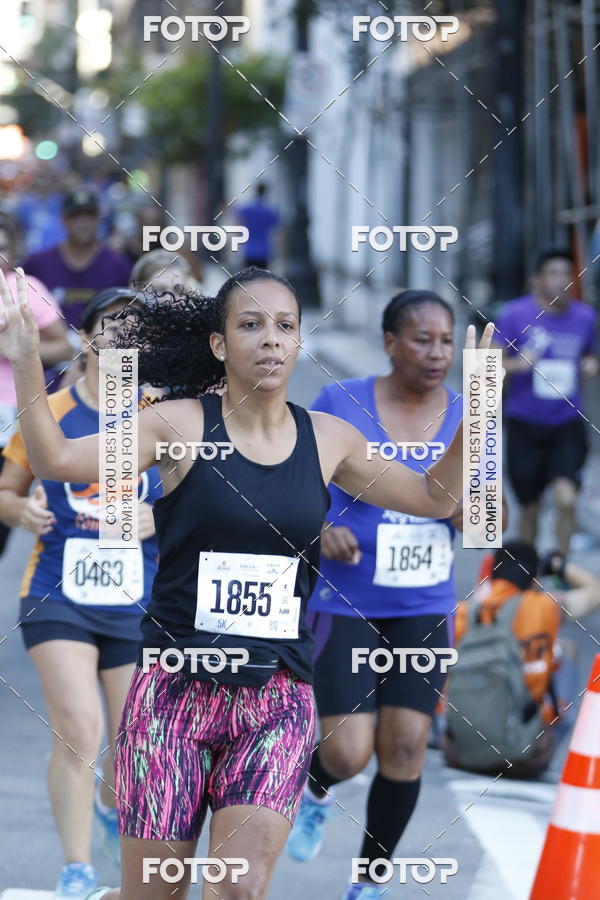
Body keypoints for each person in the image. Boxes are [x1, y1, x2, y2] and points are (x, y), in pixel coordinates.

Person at [0, 266, 493, 900]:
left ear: (298, 343)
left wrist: (479, 406)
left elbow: (434, 496)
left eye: (285, 326)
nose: (270, 339)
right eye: (250, 325)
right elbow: (57, 462)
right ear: (218, 344)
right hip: (173, 696)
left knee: (237, 889)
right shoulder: (175, 426)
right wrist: (25, 363)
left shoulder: (328, 439)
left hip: (275, 700)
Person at [287, 290, 463, 899]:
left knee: (408, 745)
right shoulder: (342, 402)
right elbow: (292, 479)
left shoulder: (467, 416)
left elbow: (488, 520)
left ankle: (369, 881)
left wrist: (469, 506)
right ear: (390, 343)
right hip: (346, 599)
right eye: (422, 339)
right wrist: (321, 528)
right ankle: (314, 788)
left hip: (423, 603)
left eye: (446, 340)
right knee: (347, 753)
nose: (437, 352)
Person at [0, 287, 162, 898]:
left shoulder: (163, 416)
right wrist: (20, 513)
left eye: (138, 332)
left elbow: (201, 502)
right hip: (56, 592)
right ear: (89, 338)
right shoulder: (54, 408)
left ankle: (107, 804)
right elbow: (6, 491)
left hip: (135, 602)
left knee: (129, 747)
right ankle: (76, 871)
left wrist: (161, 519)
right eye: (114, 328)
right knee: (79, 727)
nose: (126, 340)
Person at [444, 539, 600, 778]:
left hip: (458, 752)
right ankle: (553, 721)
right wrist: (557, 566)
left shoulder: (464, 612)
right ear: (535, 579)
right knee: (565, 650)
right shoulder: (546, 607)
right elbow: (595, 591)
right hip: (524, 757)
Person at [494, 248, 598, 554]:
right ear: (536, 281)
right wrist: (516, 364)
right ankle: (527, 573)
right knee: (530, 506)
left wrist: (591, 365)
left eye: (567, 274)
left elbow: (590, 355)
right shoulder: (515, 314)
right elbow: (488, 362)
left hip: (566, 423)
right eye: (553, 274)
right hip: (525, 422)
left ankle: (558, 571)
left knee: (567, 499)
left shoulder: (585, 317)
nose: (562, 281)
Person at [0, 214, 71, 556]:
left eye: (2, 248)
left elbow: (64, 345)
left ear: (12, 252)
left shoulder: (26, 289)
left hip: (13, 418)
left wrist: (20, 348)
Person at [236, 184, 281, 269]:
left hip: (249, 250)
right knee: (262, 278)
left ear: (255, 192)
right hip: (264, 251)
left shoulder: (246, 209)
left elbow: (239, 224)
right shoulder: (270, 211)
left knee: (248, 278)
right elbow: (276, 232)